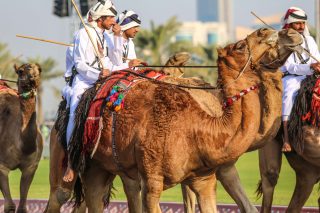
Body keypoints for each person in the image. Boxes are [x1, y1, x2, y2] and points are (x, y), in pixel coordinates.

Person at [63, 0, 123, 182]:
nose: (114, 21)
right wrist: (98, 74)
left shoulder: (105, 36)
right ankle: (71, 163)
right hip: (84, 82)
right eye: (111, 17)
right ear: (101, 18)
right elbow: (81, 65)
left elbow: (116, 59)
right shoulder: (83, 33)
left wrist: (118, 37)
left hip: (105, 78)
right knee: (75, 110)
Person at [281, 7, 320, 152]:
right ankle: (286, 138)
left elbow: (317, 58)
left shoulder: (310, 40)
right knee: (289, 94)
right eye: (297, 23)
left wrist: (317, 66)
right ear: (289, 24)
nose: (301, 26)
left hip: (311, 76)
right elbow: (290, 67)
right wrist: (310, 67)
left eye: (303, 23)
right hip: (292, 78)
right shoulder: (283, 42)